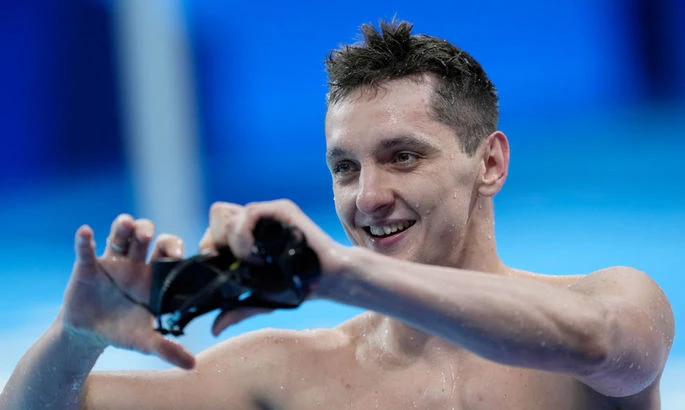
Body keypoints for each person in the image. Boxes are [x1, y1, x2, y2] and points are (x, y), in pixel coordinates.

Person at [0, 20, 674, 410]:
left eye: (403, 157)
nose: (367, 196)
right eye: (345, 167)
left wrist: (338, 272)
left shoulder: (614, 300)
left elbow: (606, 347)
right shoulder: (284, 374)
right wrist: (76, 337)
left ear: (490, 163)